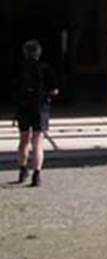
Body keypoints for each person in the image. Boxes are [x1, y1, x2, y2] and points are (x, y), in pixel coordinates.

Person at [13, 40, 58, 187]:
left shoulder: (19, 69)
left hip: (23, 106)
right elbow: (55, 89)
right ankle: (36, 175)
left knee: (24, 140)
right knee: (38, 141)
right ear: (39, 53)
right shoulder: (45, 68)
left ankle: (22, 169)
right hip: (40, 107)